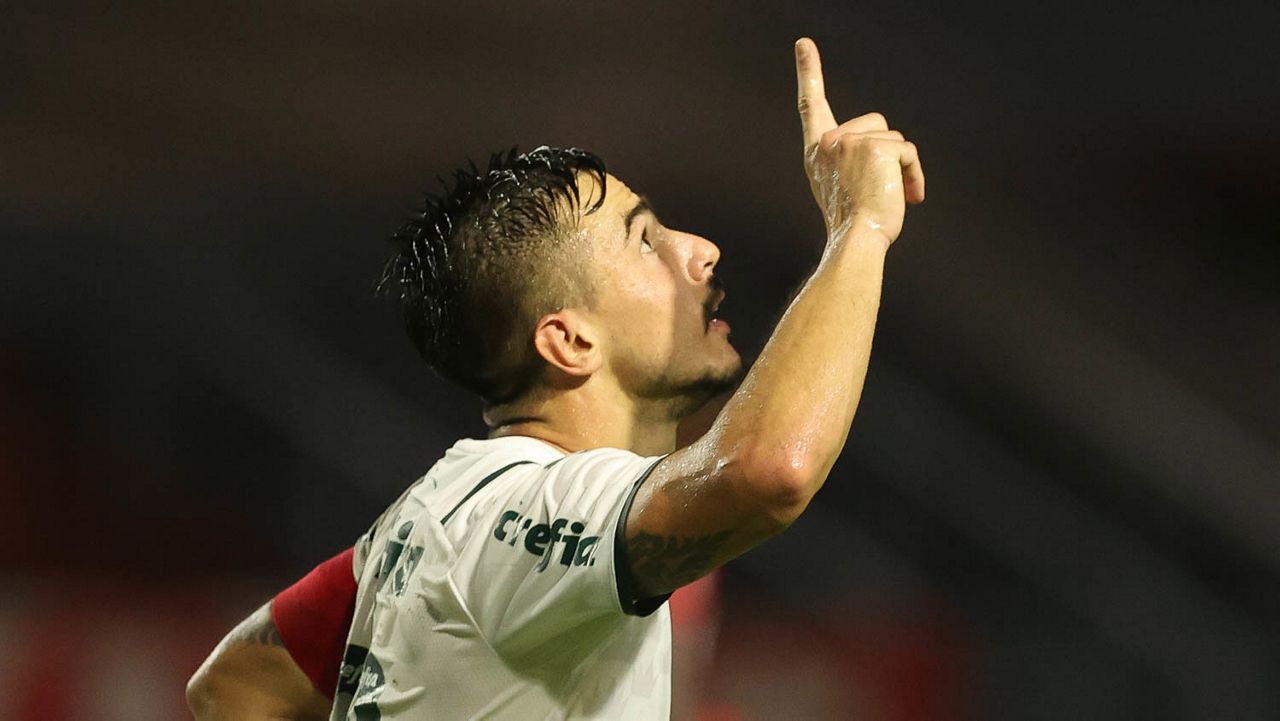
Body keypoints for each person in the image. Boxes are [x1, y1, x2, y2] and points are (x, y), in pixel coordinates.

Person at [186, 36, 924, 719]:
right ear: (569, 341)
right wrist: (859, 226)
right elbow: (768, 471)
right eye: (646, 241)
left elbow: (236, 681)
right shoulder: (536, 511)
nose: (700, 249)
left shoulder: (434, 517)